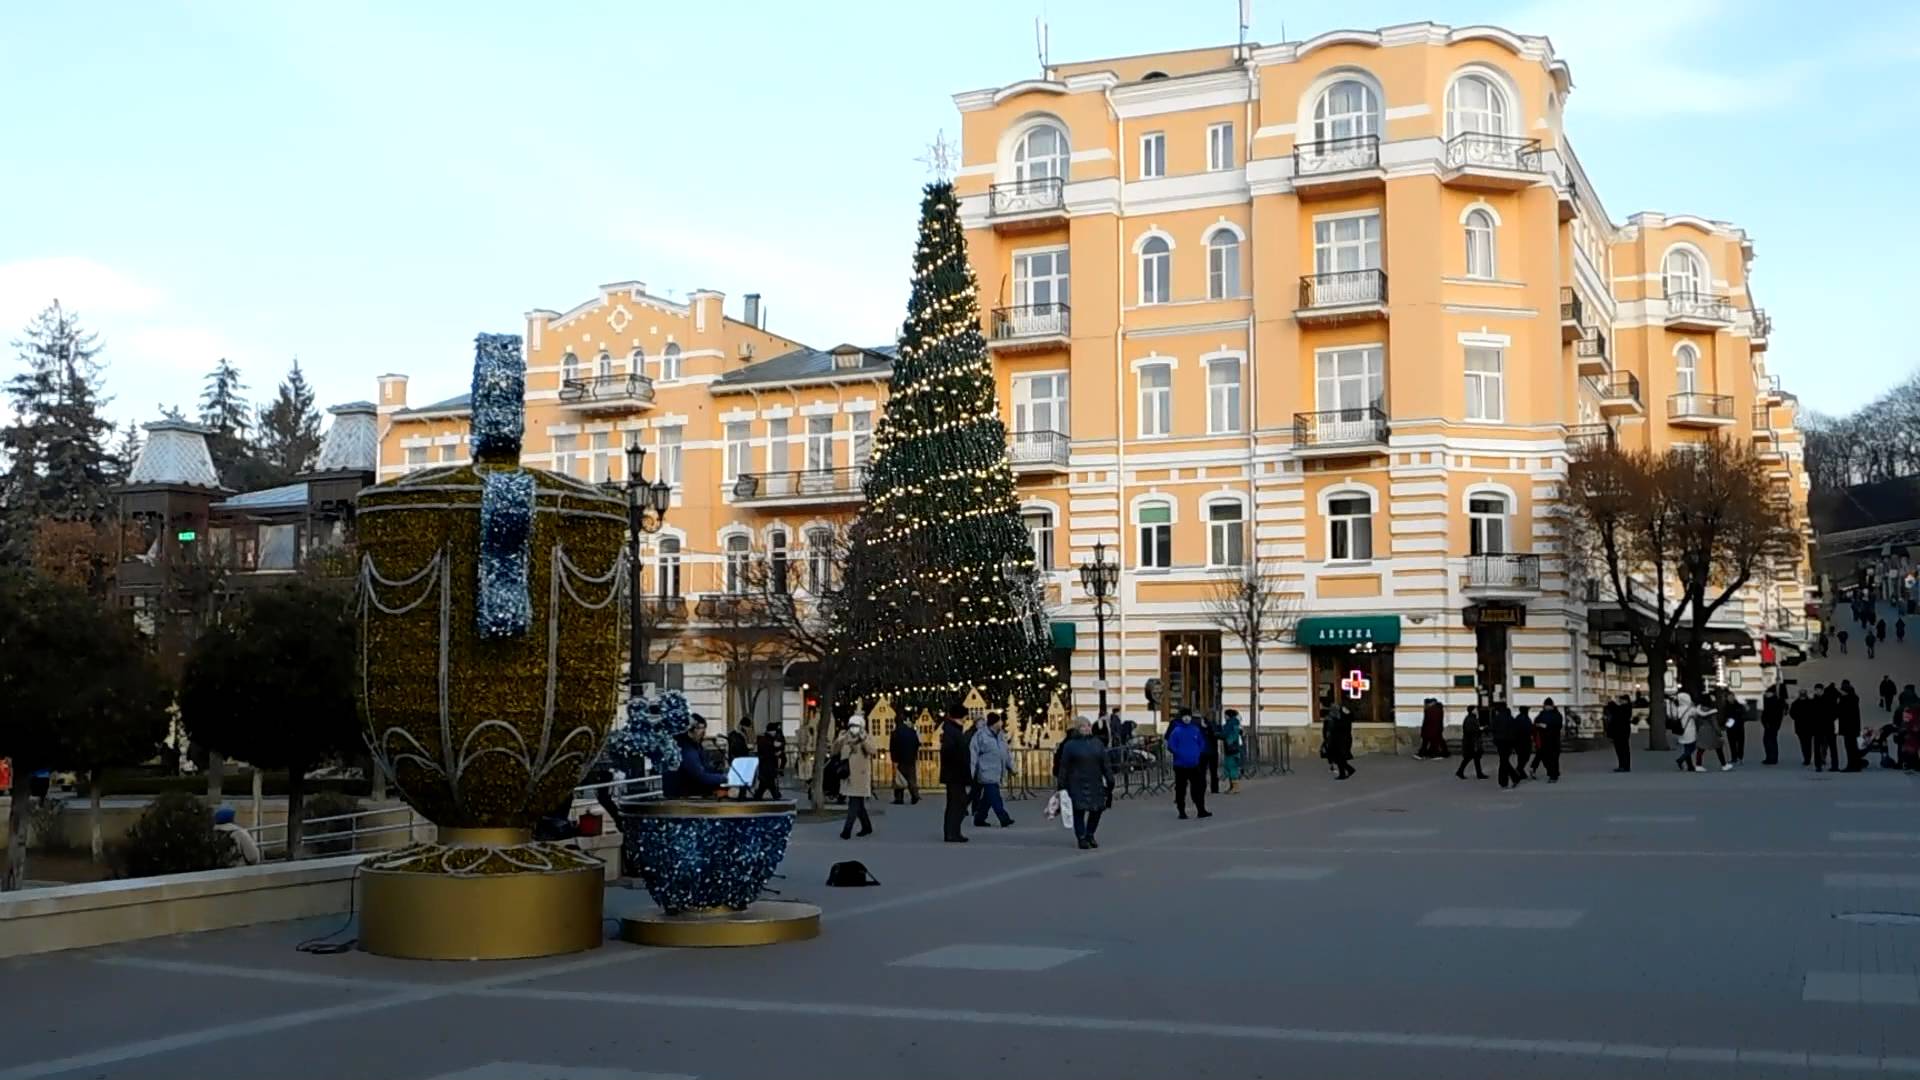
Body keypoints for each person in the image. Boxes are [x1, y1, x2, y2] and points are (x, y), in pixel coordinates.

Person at [1054, 716, 1113, 850]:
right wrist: (1061, 784)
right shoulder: (1070, 745)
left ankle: (1090, 834)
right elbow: (1064, 766)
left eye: (1088, 725)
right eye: (1083, 726)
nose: (1086, 728)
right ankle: (1081, 837)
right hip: (1076, 783)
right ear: (1077, 728)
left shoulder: (1097, 743)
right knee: (1079, 811)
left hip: (1095, 781)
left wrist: (1110, 778)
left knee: (1097, 810)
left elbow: (1105, 763)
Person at [833, 721, 879, 839]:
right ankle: (867, 826)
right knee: (858, 804)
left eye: (856, 726)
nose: (854, 729)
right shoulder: (844, 737)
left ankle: (846, 831)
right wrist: (839, 740)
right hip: (848, 774)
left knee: (854, 803)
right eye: (852, 726)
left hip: (861, 775)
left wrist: (863, 740)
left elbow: (873, 751)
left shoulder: (866, 737)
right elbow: (834, 751)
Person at [664, 717, 730, 798]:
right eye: (701, 731)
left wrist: (720, 774)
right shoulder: (686, 749)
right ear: (690, 730)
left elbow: (705, 768)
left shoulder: (696, 745)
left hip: (689, 795)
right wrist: (725, 778)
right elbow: (699, 776)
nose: (704, 734)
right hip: (680, 799)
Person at [970, 712, 1016, 828]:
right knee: (995, 796)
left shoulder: (1000, 736)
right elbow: (973, 754)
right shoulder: (981, 736)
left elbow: (1005, 753)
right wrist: (971, 771)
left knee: (988, 797)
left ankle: (979, 817)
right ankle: (1003, 817)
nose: (1001, 723)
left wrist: (1011, 767)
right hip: (986, 771)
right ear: (994, 723)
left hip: (997, 771)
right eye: (999, 721)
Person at [1167, 710, 1213, 815]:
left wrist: (1197, 752)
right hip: (1180, 765)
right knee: (1181, 788)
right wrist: (1179, 753)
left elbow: (1201, 742)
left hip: (1194, 764)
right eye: (1184, 716)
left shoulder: (1195, 730)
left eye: (1188, 716)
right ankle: (1181, 811)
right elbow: (1171, 745)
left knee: (1198, 787)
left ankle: (1201, 809)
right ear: (1181, 717)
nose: (1186, 718)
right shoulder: (1176, 731)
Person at [939, 706, 971, 842]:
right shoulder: (952, 732)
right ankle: (952, 832)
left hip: (955, 773)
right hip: (955, 773)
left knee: (957, 803)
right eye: (965, 717)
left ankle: (953, 831)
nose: (966, 719)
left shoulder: (952, 730)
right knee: (956, 803)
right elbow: (950, 752)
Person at [889, 713, 921, 805]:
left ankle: (899, 798)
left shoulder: (895, 733)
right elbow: (917, 744)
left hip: (900, 759)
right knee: (911, 778)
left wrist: (894, 759)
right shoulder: (912, 731)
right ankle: (915, 795)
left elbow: (893, 748)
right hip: (911, 758)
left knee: (899, 779)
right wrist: (914, 755)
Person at [1491, 698, 1523, 788]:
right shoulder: (1510, 717)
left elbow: (1492, 728)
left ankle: (1505, 781)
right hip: (1509, 742)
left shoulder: (1497, 718)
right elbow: (1515, 730)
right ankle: (1514, 778)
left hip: (1500, 742)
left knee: (1503, 761)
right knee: (1504, 761)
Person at [1323, 702, 1356, 782]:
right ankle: (1348, 770)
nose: (1344, 710)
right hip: (1336, 740)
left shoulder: (1346, 717)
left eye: (1346, 709)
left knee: (1339, 757)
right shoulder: (1338, 716)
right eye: (1343, 708)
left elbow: (1342, 727)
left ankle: (1344, 773)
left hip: (1343, 740)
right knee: (1339, 758)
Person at [1534, 698, 1564, 783]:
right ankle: (1553, 773)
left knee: (1553, 758)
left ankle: (1553, 775)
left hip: (1553, 740)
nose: (1546, 707)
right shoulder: (1542, 714)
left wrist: (1546, 726)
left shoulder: (1557, 715)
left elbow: (1558, 726)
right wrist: (1538, 725)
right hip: (1544, 740)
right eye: (1545, 705)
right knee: (1546, 758)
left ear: (1551, 706)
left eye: (1547, 705)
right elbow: (1536, 722)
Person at [751, 723, 783, 799]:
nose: (775, 733)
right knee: (769, 784)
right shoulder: (766, 740)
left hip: (766, 767)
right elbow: (767, 752)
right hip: (768, 767)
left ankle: (760, 797)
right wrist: (775, 753)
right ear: (771, 731)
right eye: (774, 731)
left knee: (764, 786)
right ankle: (776, 797)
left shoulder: (765, 739)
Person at [1456, 704, 1487, 780]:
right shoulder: (1470, 719)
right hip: (1471, 742)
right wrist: (1480, 730)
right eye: (1475, 709)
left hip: (1472, 741)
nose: (1477, 711)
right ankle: (1460, 772)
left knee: (1474, 758)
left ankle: (1478, 774)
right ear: (1472, 710)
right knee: (1469, 758)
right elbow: (1470, 731)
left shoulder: (1472, 718)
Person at [1814, 684, 1840, 772]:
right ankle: (1818, 765)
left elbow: (1836, 712)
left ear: (1822, 690)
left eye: (1819, 690)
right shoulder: (1814, 700)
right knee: (1817, 747)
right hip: (1818, 727)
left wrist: (1829, 718)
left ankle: (1835, 765)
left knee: (1832, 747)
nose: (1818, 691)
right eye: (1816, 690)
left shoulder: (1829, 700)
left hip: (1828, 726)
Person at [1839, 680, 1864, 772]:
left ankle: (1852, 765)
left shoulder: (1847, 700)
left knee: (1850, 748)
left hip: (1848, 727)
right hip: (1853, 727)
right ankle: (1855, 764)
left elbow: (1842, 712)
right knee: (1853, 747)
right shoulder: (1853, 698)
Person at [1604, 694, 1633, 772]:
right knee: (1621, 750)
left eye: (1621, 700)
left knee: (1622, 749)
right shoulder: (1624, 708)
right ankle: (1622, 765)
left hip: (1621, 732)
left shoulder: (1625, 708)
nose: (1620, 701)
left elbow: (1617, 712)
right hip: (1620, 732)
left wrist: (1611, 703)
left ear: (1625, 700)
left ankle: (1624, 766)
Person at [1674, 692, 1700, 772]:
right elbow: (1697, 714)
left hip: (1681, 730)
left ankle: (1690, 766)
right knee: (1693, 747)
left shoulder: (1678, 709)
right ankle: (1681, 759)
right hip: (1690, 730)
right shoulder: (1691, 709)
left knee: (1686, 748)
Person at [1221, 709, 1245, 794]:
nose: (1224, 716)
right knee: (1229, 766)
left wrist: (1228, 740)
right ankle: (1232, 787)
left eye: (1225, 715)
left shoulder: (1232, 724)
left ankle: (1235, 787)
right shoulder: (1234, 724)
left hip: (1232, 748)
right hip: (1232, 748)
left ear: (1228, 715)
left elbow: (1229, 735)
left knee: (1232, 767)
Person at [1760, 685, 1784, 766]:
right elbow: (1763, 714)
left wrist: (1776, 724)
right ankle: (1769, 757)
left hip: (1773, 725)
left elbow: (1779, 715)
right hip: (1767, 724)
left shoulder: (1776, 701)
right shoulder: (1765, 700)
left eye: (1768, 693)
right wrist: (1764, 722)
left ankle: (1773, 758)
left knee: (1772, 741)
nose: (1766, 694)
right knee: (1766, 741)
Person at [1201, 711, 1223, 795]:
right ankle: (1214, 789)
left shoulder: (1202, 726)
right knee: (1213, 772)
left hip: (1205, 752)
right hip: (1211, 752)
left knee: (1204, 772)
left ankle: (1204, 788)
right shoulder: (1215, 726)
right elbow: (1219, 734)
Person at [1722, 689, 1746, 765]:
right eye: (1729, 697)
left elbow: (1743, 715)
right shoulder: (1726, 706)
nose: (1730, 698)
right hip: (1730, 727)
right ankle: (1734, 757)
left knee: (1740, 743)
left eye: (1732, 696)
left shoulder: (1739, 705)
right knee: (1732, 743)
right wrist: (1725, 724)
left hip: (1739, 727)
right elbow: (1724, 717)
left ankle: (1740, 757)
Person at [1791, 688, 1814, 766]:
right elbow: (1792, 714)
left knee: (1806, 743)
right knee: (1805, 743)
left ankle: (1807, 758)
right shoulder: (1797, 703)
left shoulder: (1796, 703)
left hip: (1806, 726)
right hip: (1802, 726)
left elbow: (1792, 714)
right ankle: (1807, 758)